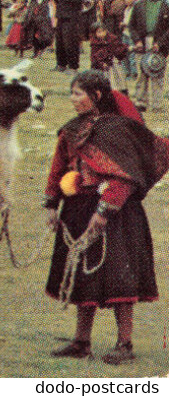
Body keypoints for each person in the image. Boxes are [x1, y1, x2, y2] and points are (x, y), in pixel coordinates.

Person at [45, 70, 165, 364]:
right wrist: (51, 204)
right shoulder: (71, 131)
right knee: (82, 274)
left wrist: (105, 210)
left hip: (116, 213)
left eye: (78, 93)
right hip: (76, 209)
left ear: (96, 96)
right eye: (72, 93)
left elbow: (126, 175)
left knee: (119, 278)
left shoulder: (119, 131)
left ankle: (124, 343)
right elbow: (58, 166)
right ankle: (81, 341)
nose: (73, 99)